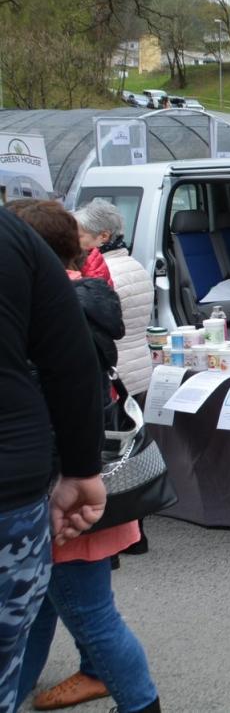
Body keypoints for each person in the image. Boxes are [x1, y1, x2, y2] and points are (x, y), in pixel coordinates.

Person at [8, 201, 161, 713]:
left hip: (63, 492)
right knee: (40, 607)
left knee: (91, 616)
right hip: (88, 477)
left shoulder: (46, 314)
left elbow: (49, 409)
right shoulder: (87, 296)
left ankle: (140, 704)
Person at [0, 208, 106, 713]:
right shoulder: (14, 240)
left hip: (20, 478)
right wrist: (82, 469)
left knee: (89, 612)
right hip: (15, 483)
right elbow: (72, 365)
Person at [75, 201, 152, 398]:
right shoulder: (135, 265)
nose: (74, 242)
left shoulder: (104, 274)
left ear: (103, 236)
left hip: (117, 374)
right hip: (141, 367)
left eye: (80, 236)